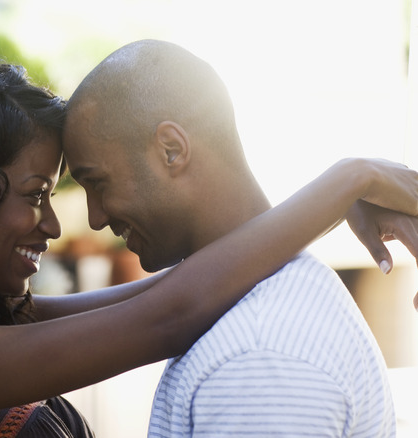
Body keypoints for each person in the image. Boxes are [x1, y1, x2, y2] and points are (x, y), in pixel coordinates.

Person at [0, 54, 418, 438]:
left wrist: (331, 211)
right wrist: (350, 178)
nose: (56, 225)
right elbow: (171, 313)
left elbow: (180, 287)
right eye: (36, 193)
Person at [62, 39, 415, 437]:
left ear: (172, 150)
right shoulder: (253, 314)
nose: (94, 218)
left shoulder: (259, 357)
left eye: (97, 182)